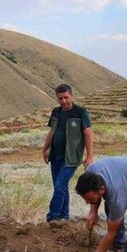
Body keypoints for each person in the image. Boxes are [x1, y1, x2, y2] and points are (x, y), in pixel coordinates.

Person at [42, 83, 93, 222]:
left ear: (72, 96)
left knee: (59, 186)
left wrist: (89, 156)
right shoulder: (56, 112)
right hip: (55, 155)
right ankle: (64, 216)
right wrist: (45, 149)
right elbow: (51, 131)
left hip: (71, 157)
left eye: (66, 97)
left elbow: (88, 134)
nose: (63, 101)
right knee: (61, 187)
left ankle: (52, 217)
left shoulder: (80, 112)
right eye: (60, 98)